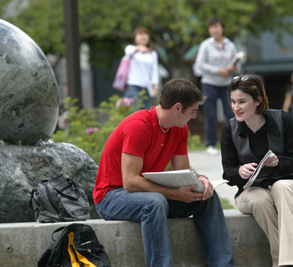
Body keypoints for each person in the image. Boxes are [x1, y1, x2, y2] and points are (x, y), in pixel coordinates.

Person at [93, 78, 235, 267]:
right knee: (155, 202)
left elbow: (183, 172)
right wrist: (174, 194)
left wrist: (202, 180)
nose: (194, 116)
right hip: (111, 197)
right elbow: (130, 182)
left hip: (147, 194)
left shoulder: (180, 129)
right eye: (192, 111)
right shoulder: (139, 126)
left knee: (207, 196)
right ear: (177, 108)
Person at [221, 74, 293, 267]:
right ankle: (290, 263)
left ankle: (287, 263)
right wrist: (240, 172)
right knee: (260, 200)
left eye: (242, 101)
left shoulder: (283, 120)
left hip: (289, 189)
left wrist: (278, 162)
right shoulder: (229, 129)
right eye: (233, 101)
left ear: (258, 100)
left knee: (281, 187)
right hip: (250, 193)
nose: (236, 107)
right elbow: (228, 173)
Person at [194, 17, 240, 156]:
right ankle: (211, 144)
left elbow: (238, 66)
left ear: (223, 28)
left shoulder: (231, 45)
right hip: (209, 83)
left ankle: (235, 142)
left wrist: (233, 68)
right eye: (212, 27)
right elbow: (200, 64)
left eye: (217, 27)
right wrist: (218, 70)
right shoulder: (205, 45)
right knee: (211, 114)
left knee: (231, 112)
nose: (215, 30)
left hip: (227, 84)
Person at [124, 27, 159, 110]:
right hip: (133, 85)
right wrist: (139, 48)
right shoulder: (131, 49)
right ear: (135, 38)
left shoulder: (152, 53)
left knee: (146, 112)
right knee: (133, 112)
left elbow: (154, 70)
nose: (143, 37)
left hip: (147, 87)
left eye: (145, 34)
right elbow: (128, 51)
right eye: (140, 34)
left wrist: (155, 85)